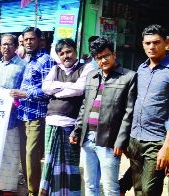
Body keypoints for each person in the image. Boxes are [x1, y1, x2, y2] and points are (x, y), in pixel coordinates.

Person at [69, 37, 136, 196]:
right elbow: (85, 106)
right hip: (87, 139)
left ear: (113, 54)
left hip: (109, 141)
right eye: (98, 58)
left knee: (110, 187)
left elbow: (129, 112)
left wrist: (121, 141)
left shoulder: (129, 77)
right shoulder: (92, 76)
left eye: (106, 55)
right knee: (90, 184)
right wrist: (77, 130)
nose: (102, 60)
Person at [40, 38, 95, 195]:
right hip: (51, 122)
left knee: (69, 166)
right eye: (62, 53)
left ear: (76, 52)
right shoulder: (55, 69)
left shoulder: (86, 68)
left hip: (71, 124)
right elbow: (45, 87)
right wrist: (66, 85)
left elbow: (79, 89)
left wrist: (56, 92)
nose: (66, 56)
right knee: (51, 164)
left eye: (69, 51)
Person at [9, 27, 56, 196]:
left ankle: (34, 192)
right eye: (26, 40)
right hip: (23, 113)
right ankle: (32, 189)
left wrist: (25, 94)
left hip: (37, 116)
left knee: (32, 156)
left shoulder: (46, 61)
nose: (28, 42)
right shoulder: (28, 60)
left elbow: (50, 89)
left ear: (40, 40)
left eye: (32, 39)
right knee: (24, 156)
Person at [129, 24, 169, 195]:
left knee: (149, 191)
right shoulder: (142, 69)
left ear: (166, 43)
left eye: (156, 42)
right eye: (147, 43)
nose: (151, 47)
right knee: (138, 189)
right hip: (135, 139)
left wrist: (166, 148)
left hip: (157, 141)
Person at [0, 33, 26, 195]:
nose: (6, 47)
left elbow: (24, 90)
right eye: (3, 44)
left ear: (16, 47)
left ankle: (8, 189)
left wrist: (15, 104)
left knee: (10, 153)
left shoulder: (22, 66)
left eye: (9, 44)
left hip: (12, 118)